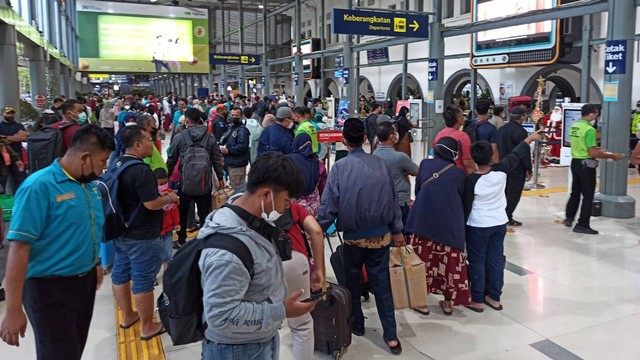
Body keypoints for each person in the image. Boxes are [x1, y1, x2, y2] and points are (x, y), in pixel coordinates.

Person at [0, 125, 114, 359]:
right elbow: (19, 249)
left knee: (73, 350)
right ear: (84, 157)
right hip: (49, 290)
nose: (104, 169)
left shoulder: (89, 186)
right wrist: (12, 309)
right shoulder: (38, 187)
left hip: (84, 283)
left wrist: (95, 263)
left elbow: (87, 228)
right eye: (102, 161)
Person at [197, 153, 317, 360]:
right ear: (266, 195)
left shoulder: (246, 212)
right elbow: (221, 316)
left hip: (259, 338)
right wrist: (281, 311)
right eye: (286, 201)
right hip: (237, 350)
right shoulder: (226, 255)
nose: (286, 208)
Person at [317, 118, 404, 355]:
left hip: (354, 239)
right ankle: (391, 336)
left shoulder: (340, 168)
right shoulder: (381, 164)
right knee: (382, 285)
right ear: (366, 138)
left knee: (351, 282)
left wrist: (318, 228)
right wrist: (397, 230)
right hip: (381, 237)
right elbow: (393, 201)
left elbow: (329, 205)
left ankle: (357, 324)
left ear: (344, 141)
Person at [111, 125, 180, 341]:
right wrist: (170, 198)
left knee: (120, 274)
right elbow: (152, 203)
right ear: (138, 145)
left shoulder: (117, 163)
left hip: (120, 230)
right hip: (142, 234)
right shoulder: (140, 170)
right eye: (149, 140)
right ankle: (148, 326)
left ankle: (128, 316)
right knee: (143, 279)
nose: (153, 143)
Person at [463, 131, 542, 312]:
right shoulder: (501, 171)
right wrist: (529, 139)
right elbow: (515, 154)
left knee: (477, 261)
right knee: (495, 259)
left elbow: (466, 207)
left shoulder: (471, 181)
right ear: (491, 157)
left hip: (477, 225)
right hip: (499, 223)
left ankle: (477, 299)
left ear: (474, 159)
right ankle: (495, 297)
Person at [406, 137, 470, 316]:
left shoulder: (425, 164)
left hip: (423, 221)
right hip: (449, 227)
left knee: (422, 262)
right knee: (449, 264)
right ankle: (448, 302)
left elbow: (418, 190)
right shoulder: (459, 174)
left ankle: (422, 303)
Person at [167, 108, 224, 247]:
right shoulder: (209, 138)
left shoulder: (180, 137)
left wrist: (166, 178)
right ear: (200, 120)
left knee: (183, 212)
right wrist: (220, 177)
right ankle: (204, 241)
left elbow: (171, 159)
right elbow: (216, 159)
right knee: (204, 212)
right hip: (204, 182)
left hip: (185, 183)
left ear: (186, 121)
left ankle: (181, 240)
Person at [564, 104, 624, 234]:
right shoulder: (589, 130)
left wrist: (597, 150)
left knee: (575, 192)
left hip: (575, 162)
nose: (596, 118)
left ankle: (569, 218)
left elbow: (580, 146)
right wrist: (612, 156)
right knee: (588, 195)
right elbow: (592, 153)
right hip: (586, 165)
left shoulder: (574, 126)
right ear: (591, 114)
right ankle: (582, 224)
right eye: (596, 115)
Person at [277, 201, 325, 360]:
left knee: (263, 324)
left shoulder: (245, 201)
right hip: (293, 260)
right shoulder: (290, 204)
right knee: (301, 325)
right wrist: (319, 269)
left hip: (260, 262)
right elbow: (316, 231)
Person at [373, 121, 419, 230]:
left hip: (381, 201)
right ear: (392, 137)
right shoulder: (400, 157)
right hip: (400, 202)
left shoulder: (374, 154)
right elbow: (417, 171)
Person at [496, 107, 532, 227]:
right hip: (517, 167)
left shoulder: (501, 129)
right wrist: (529, 169)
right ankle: (506, 216)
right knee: (514, 194)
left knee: (504, 192)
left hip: (503, 165)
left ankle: (502, 215)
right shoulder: (521, 132)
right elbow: (524, 152)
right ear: (522, 117)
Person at [287, 134, 326, 217]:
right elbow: (323, 187)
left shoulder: (287, 160)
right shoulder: (318, 163)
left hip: (291, 207)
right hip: (313, 208)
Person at [434, 105, 476, 174]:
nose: (464, 117)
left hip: (442, 173)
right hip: (459, 175)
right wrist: (474, 178)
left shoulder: (439, 135)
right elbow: (468, 163)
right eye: (462, 115)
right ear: (458, 119)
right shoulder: (463, 137)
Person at [155, 168, 179, 270]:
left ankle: (167, 271)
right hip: (156, 231)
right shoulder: (152, 196)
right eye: (161, 184)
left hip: (169, 228)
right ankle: (153, 275)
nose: (164, 185)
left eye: (165, 182)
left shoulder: (170, 193)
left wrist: (177, 223)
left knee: (168, 253)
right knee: (156, 254)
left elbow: (174, 209)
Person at [220, 107, 250, 189]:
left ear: (241, 116)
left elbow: (242, 146)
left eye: (236, 115)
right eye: (232, 115)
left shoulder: (242, 130)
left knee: (237, 188)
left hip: (237, 164)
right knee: (234, 186)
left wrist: (229, 150)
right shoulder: (231, 127)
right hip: (231, 162)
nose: (234, 117)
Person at [0, 106, 28, 188]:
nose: (10, 115)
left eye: (12, 113)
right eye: (8, 113)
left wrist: (4, 137)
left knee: (21, 180)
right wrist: (15, 137)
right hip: (2, 158)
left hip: (17, 157)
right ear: (2, 114)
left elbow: (23, 137)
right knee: (2, 181)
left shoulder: (19, 126)